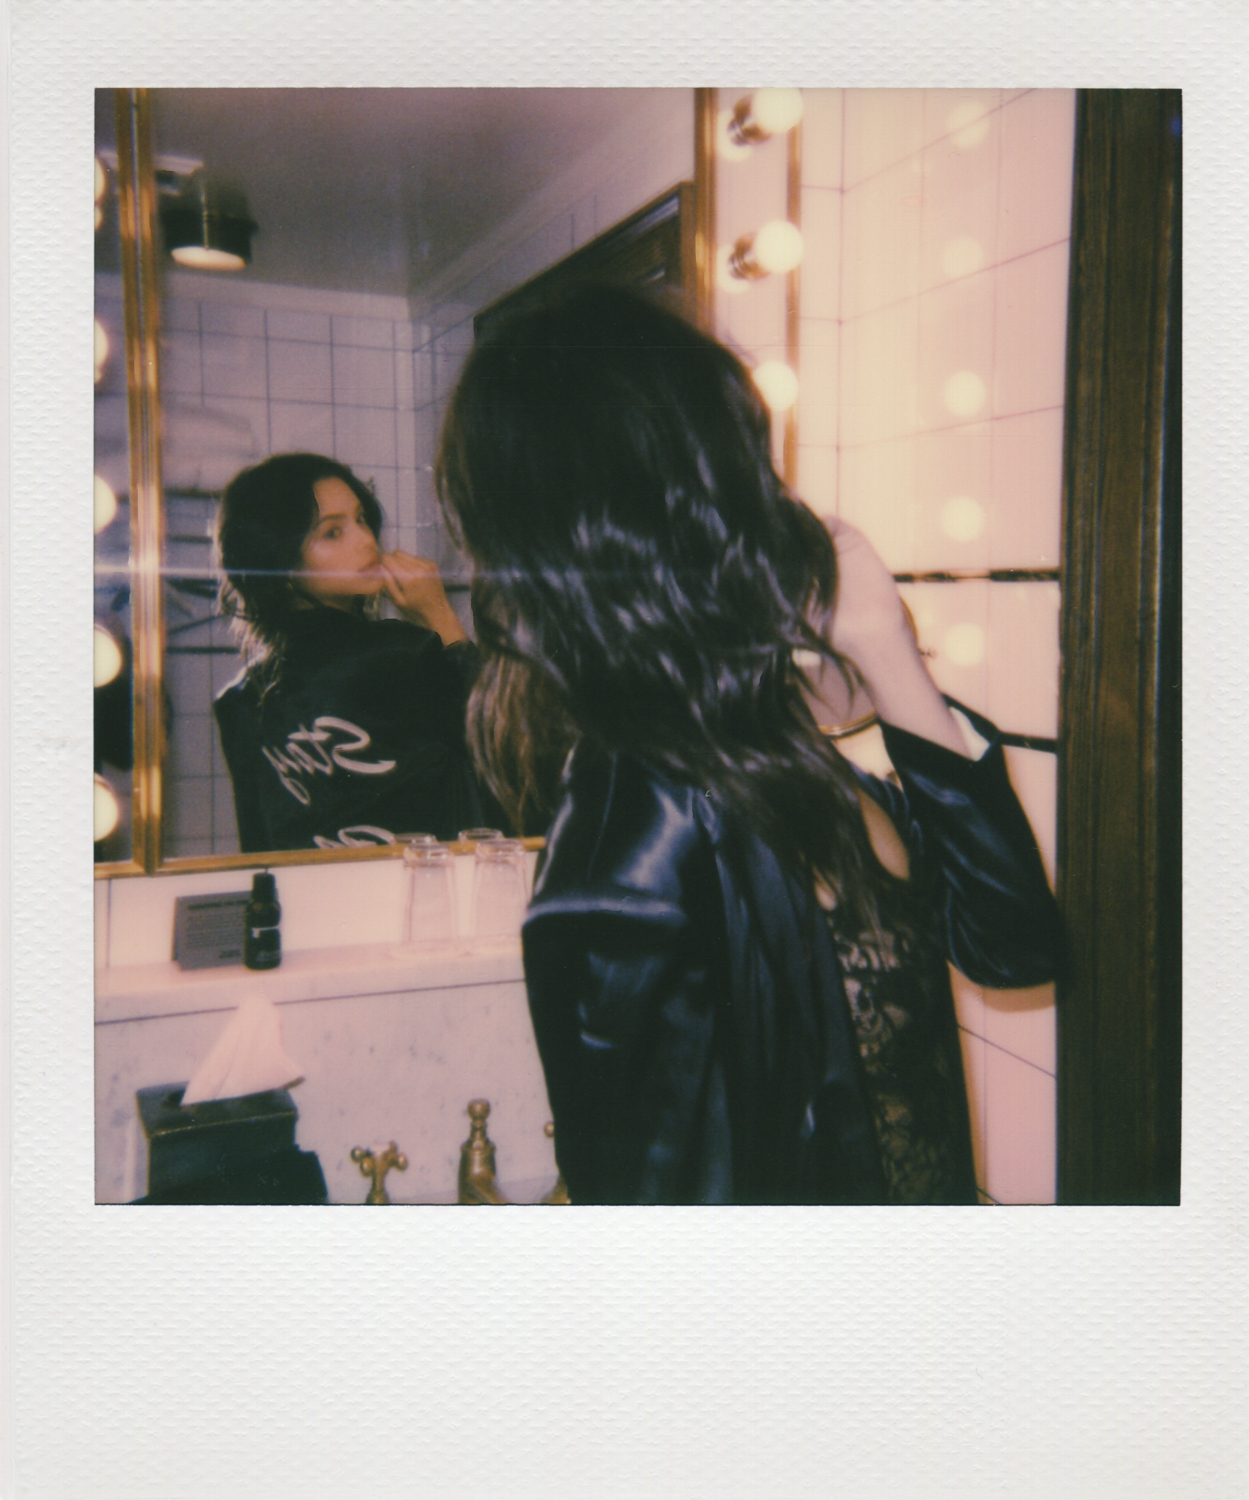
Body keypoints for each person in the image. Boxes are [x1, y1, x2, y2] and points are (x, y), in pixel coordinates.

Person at [435, 283, 1063, 1205]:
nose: (773, 495)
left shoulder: (778, 754)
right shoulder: (631, 823)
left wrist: (887, 653)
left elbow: (1015, 948)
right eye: (737, 457)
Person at [213, 452, 495, 851]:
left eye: (361, 519)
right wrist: (439, 615)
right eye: (332, 532)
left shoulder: (239, 701)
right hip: (424, 883)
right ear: (280, 559)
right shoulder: (406, 655)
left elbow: (259, 856)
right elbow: (506, 746)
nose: (366, 540)